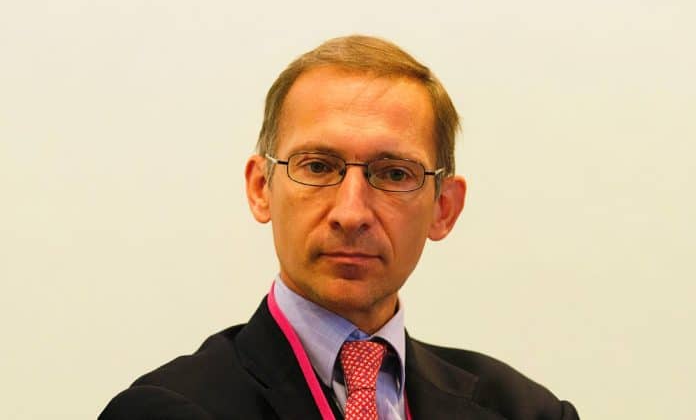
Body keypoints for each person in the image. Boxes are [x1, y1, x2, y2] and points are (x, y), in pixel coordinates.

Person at [100, 35, 579, 420]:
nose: (351, 213)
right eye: (318, 166)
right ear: (261, 188)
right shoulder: (170, 409)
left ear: (443, 209)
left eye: (394, 174)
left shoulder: (526, 412)